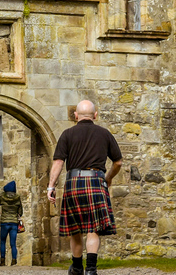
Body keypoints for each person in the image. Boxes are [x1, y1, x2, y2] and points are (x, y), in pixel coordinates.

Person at [47, 100, 123, 275]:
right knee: (93, 228)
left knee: (75, 227)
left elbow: (58, 162)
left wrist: (50, 187)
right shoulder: (104, 134)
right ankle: (91, 270)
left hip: (73, 183)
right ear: (95, 115)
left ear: (76, 115)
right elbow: (118, 162)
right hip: (96, 181)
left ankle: (77, 267)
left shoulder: (67, 134)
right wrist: (108, 178)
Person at [0, 180, 22, 266]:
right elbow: (20, 212)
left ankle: (2, 261)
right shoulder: (18, 198)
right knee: (13, 243)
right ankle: (14, 260)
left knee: (3, 241)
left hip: (4, 223)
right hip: (14, 223)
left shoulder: (2, 197)